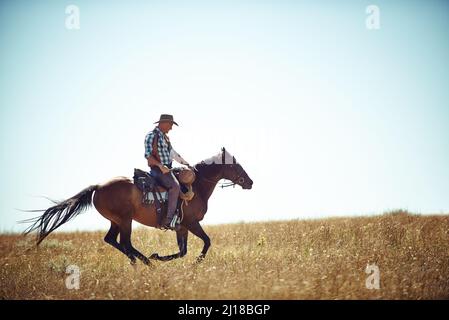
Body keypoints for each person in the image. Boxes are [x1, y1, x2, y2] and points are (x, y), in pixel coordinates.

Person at [144, 114, 191, 230]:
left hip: (167, 169)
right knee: (175, 187)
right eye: (170, 124)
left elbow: (173, 154)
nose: (171, 128)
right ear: (163, 123)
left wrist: (186, 164)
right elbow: (148, 155)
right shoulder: (151, 136)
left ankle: (177, 216)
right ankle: (169, 220)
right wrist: (160, 166)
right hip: (158, 170)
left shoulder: (165, 138)